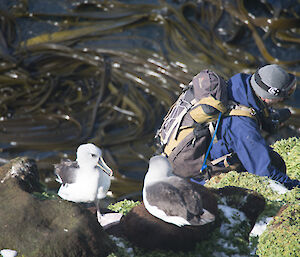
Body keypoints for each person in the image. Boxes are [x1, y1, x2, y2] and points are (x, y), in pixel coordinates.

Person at [208, 64, 299, 190]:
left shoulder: (241, 84)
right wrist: (295, 187)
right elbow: (264, 173)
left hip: (223, 141)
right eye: (283, 96)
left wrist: (268, 117)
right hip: (208, 171)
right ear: (267, 98)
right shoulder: (244, 128)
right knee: (275, 164)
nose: (283, 99)